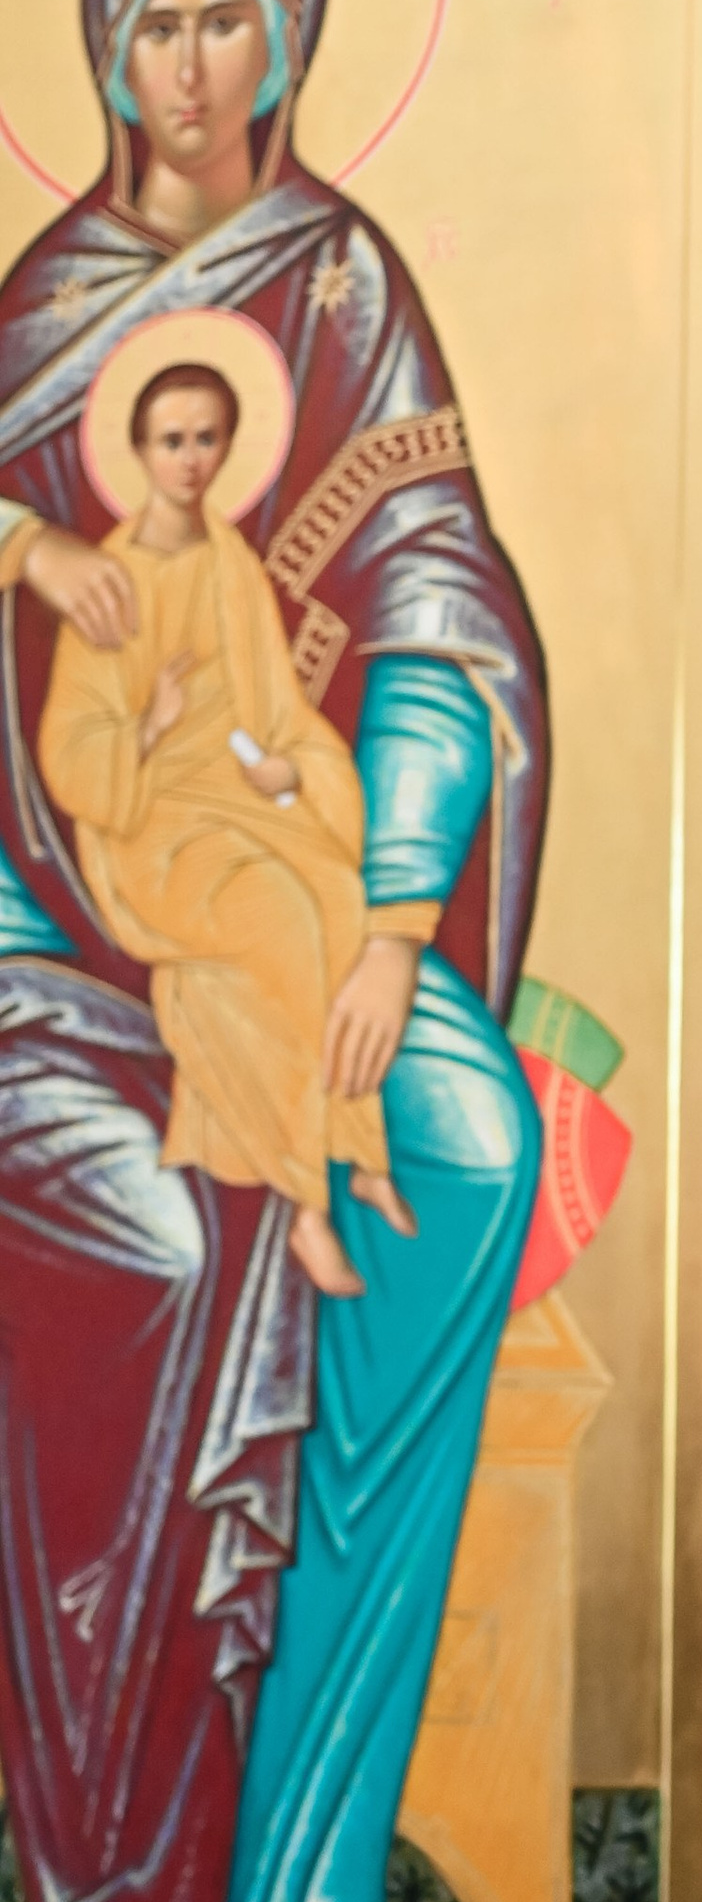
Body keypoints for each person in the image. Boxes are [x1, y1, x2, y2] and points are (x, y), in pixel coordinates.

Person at [0, 0, 544, 1902]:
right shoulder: (38, 311)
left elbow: (435, 582)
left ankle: (295, 1895)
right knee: (131, 1224)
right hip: (48, 929)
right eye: (154, 21)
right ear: (104, 48)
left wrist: (398, 910)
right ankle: (106, 1889)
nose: (191, 65)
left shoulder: (335, 283)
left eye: (231, 18)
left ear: (292, 39)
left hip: (301, 897)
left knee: (464, 1140)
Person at [38, 357, 415, 1303]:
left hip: (241, 805)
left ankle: (358, 1149)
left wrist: (293, 771)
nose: (192, 461)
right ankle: (308, 1207)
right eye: (173, 441)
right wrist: (152, 725)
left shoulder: (233, 566)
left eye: (208, 439)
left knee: (335, 892)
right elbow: (72, 752)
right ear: (138, 451)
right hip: (152, 834)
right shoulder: (110, 584)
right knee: (284, 913)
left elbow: (279, 712)